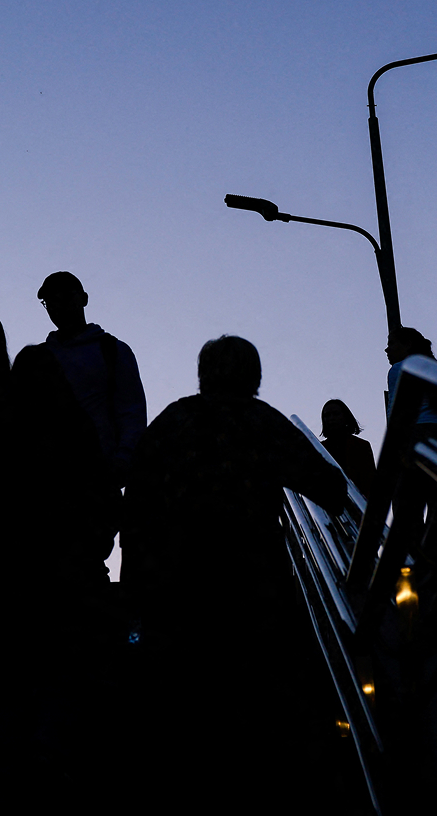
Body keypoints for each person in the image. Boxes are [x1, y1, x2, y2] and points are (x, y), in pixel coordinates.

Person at [121, 335, 347, 809]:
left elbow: (137, 510)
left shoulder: (170, 424)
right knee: (263, 706)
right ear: (254, 375)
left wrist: (136, 588)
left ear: (203, 373)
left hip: (176, 592)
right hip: (253, 587)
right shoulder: (257, 420)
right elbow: (327, 485)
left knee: (188, 716)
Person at [0, 345, 122, 797]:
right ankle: (49, 752)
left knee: (4, 672)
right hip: (63, 573)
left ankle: (3, 760)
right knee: (61, 668)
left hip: (3, 573)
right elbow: (103, 495)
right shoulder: (76, 427)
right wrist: (91, 547)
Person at [37, 271, 146, 485]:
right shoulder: (39, 357)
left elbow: (132, 413)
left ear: (84, 299)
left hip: (98, 475)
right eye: (51, 301)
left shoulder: (113, 350)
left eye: (66, 296)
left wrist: (123, 460)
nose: (59, 305)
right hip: (46, 479)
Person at [385, 326, 437, 452]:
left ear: (408, 344)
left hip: (415, 434)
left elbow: (396, 413)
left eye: (392, 343)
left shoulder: (400, 368)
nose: (387, 349)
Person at [319, 399, 376, 498]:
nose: (331, 418)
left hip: (358, 504)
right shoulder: (318, 448)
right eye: (327, 415)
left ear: (345, 417)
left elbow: (369, 482)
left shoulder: (361, 446)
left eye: (336, 414)